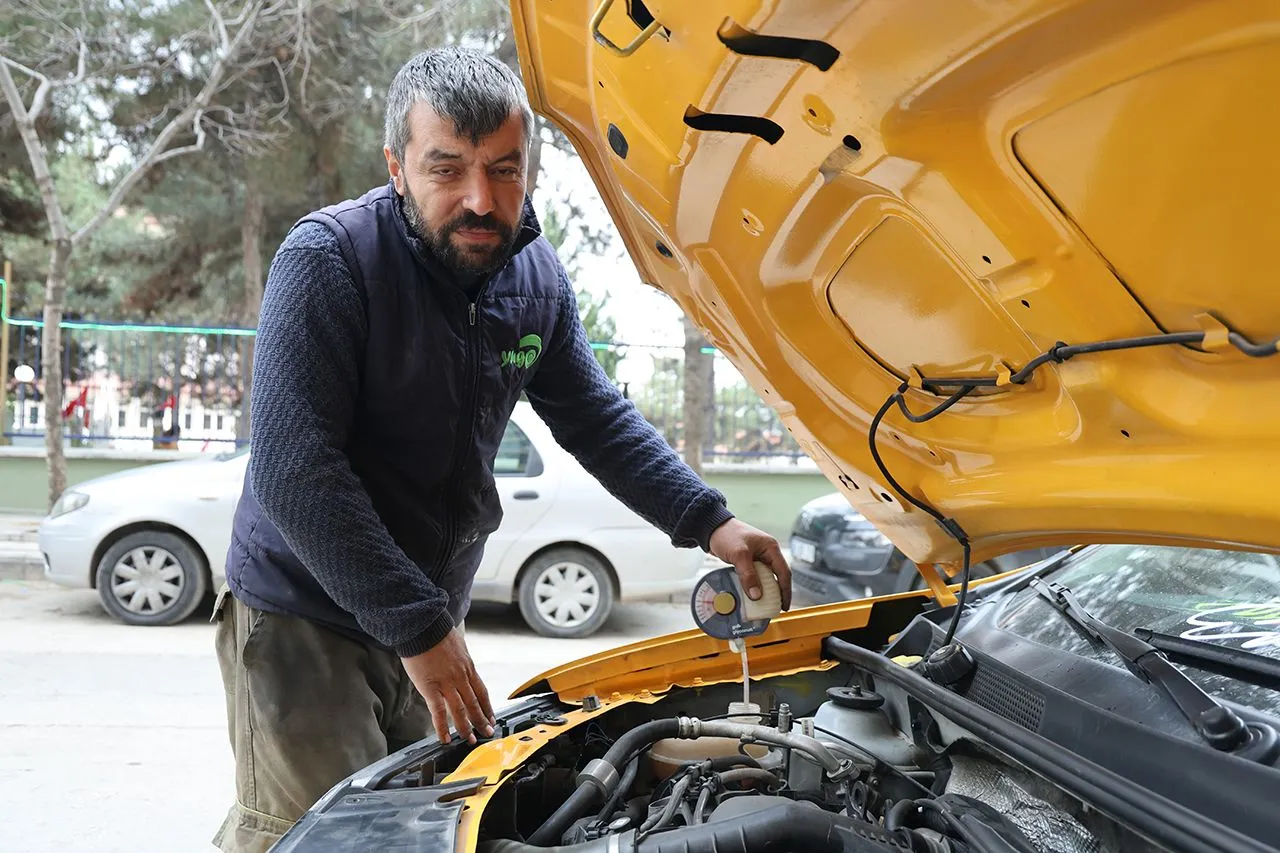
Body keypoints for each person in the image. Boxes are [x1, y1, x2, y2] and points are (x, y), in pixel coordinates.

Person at [210, 46, 792, 852]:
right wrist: (421, 630)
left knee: (423, 830)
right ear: (397, 168)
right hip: (305, 617)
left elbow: (593, 415)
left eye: (504, 170)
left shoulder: (534, 278)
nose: (481, 200)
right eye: (447, 169)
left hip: (422, 617)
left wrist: (710, 522)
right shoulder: (330, 260)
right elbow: (293, 470)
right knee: (321, 839)